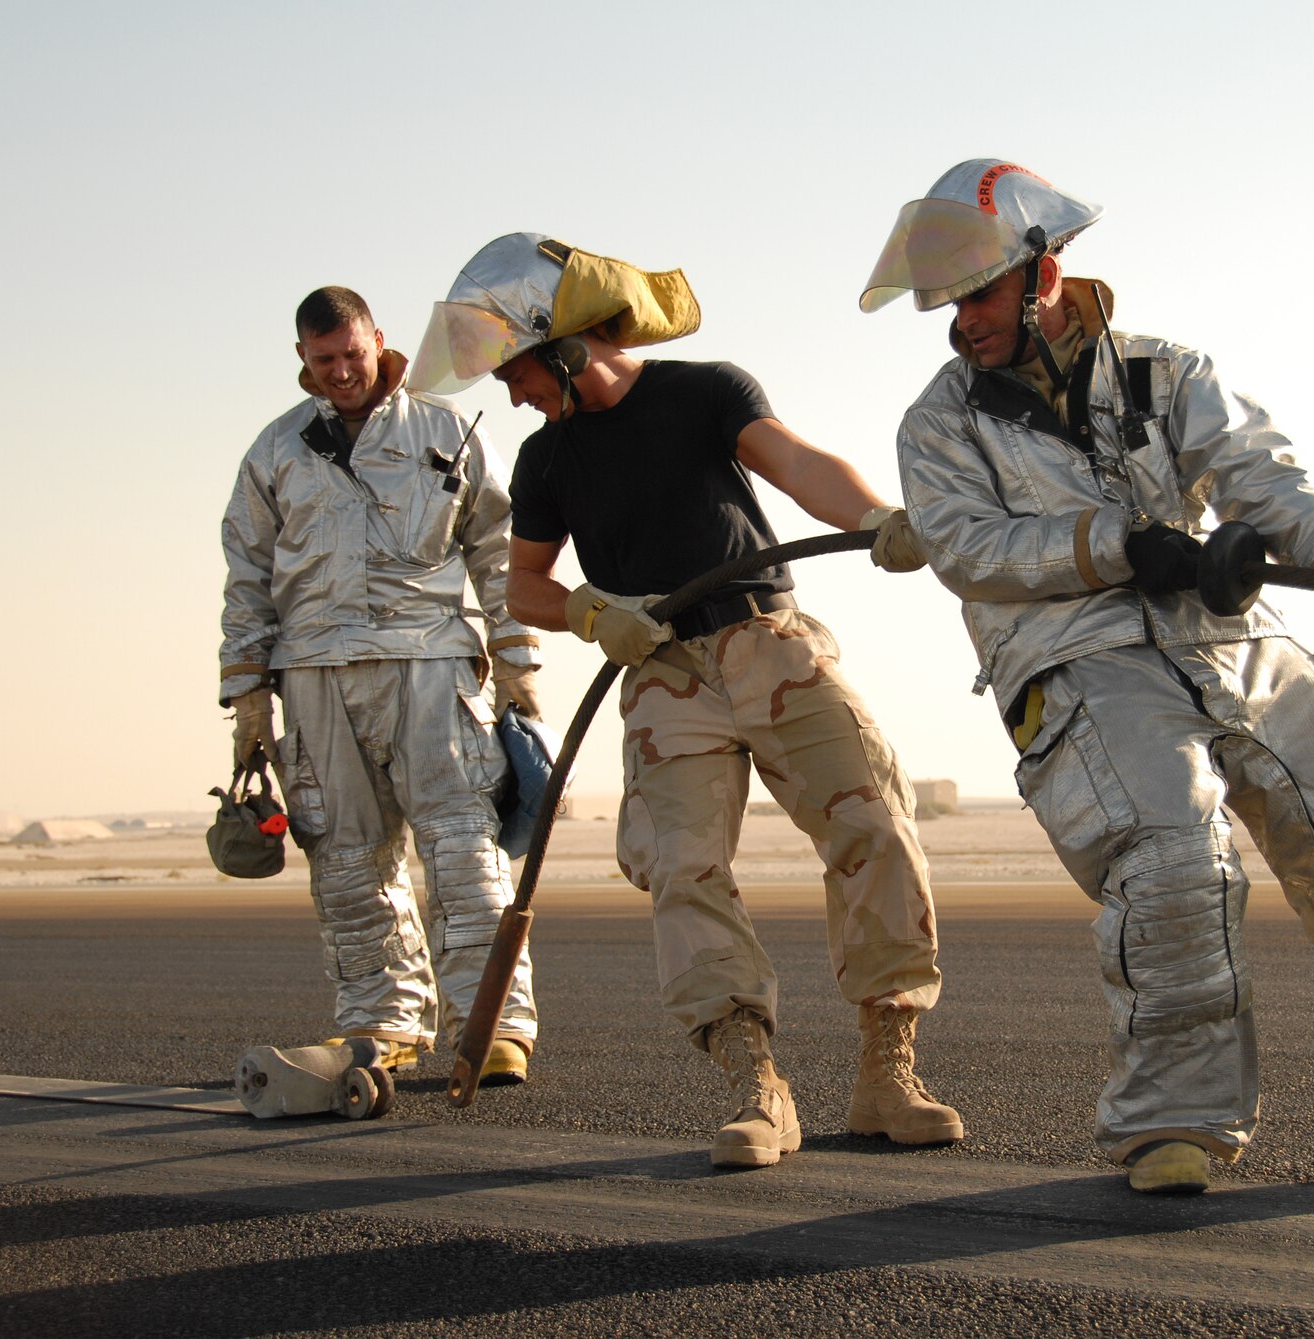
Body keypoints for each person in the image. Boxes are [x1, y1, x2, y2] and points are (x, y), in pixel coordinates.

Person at [860, 160, 1314, 1196]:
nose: (957, 321)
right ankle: (1173, 1126)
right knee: (1171, 858)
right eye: (942, 303)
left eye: (975, 294)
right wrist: (1120, 543)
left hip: (1236, 640)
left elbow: (1258, 474)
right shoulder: (937, 424)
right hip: (1080, 662)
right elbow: (966, 548)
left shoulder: (1167, 370)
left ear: (1043, 271)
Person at [407, 235, 960, 1168]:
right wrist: (591, 611)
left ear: (569, 347)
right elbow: (525, 587)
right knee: (680, 866)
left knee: (877, 825)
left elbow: (795, 461)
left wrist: (873, 521)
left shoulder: (706, 391)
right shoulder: (547, 463)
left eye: (518, 371)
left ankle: (886, 1069)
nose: (512, 395)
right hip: (662, 673)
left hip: (770, 643)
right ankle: (756, 1083)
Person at [220, 285, 541, 1084]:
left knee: (465, 847)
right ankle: (382, 1017)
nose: (340, 372)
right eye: (323, 360)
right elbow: (247, 575)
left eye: (352, 354)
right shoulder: (276, 450)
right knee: (347, 857)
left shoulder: (448, 427)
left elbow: (500, 551)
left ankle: (492, 1023)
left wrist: (517, 666)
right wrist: (249, 693)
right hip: (316, 676)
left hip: (430, 666)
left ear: (378, 340)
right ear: (302, 358)